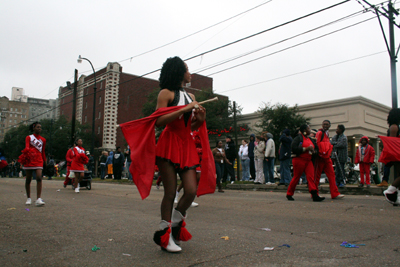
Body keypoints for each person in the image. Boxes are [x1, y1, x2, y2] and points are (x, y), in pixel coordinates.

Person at [151, 57, 207, 253]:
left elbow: (190, 126)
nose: (190, 73)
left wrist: (200, 119)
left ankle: (175, 224)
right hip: (168, 144)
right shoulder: (166, 93)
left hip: (186, 144)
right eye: (187, 69)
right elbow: (159, 121)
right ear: (178, 72)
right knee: (170, 192)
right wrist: (184, 109)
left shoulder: (191, 96)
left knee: (191, 190)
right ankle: (165, 236)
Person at [286, 124, 325, 202]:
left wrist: (314, 151)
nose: (310, 130)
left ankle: (314, 194)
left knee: (311, 177)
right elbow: (294, 148)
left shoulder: (310, 139)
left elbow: (316, 149)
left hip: (308, 160)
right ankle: (289, 193)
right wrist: (306, 148)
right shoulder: (298, 138)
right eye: (308, 128)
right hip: (299, 159)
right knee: (296, 177)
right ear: (304, 130)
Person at [314, 120, 344, 199]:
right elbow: (316, 143)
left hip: (326, 157)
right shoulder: (320, 133)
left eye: (327, 124)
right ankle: (314, 192)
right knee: (317, 176)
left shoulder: (326, 134)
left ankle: (335, 193)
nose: (325, 126)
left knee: (331, 175)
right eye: (324, 124)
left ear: (329, 125)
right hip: (320, 157)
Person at [18, 122, 46, 206]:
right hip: (30, 159)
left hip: (39, 160)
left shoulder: (43, 140)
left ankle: (38, 199)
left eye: (40, 127)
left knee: (39, 177)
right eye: (37, 127)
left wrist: (45, 161)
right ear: (33, 128)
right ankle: (29, 198)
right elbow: (27, 147)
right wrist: (27, 154)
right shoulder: (29, 137)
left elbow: (43, 151)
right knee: (28, 179)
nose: (39, 129)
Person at [381, 108, 400, 204]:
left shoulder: (395, 126)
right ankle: (390, 190)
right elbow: (393, 143)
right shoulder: (394, 127)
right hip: (397, 155)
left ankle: (397, 198)